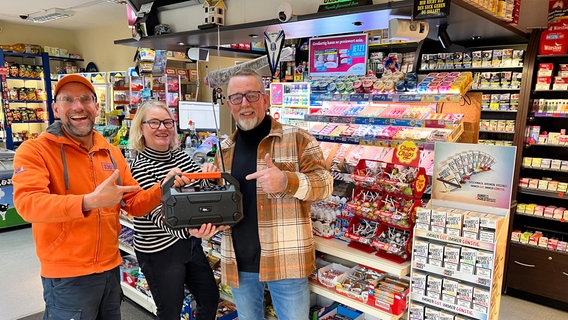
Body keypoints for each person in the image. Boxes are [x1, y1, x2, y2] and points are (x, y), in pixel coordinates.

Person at [12, 74, 191, 320]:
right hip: (67, 276)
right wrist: (89, 201)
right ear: (55, 108)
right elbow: (27, 204)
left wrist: (163, 186)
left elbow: (135, 204)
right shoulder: (35, 150)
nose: (78, 106)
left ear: (96, 107)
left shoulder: (110, 152)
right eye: (68, 100)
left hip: (110, 268)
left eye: (86, 99)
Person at [215, 69, 334, 320]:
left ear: (265, 99)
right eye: (237, 97)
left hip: (287, 261)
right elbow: (221, 205)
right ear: (229, 105)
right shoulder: (224, 150)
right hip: (239, 263)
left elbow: (325, 184)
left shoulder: (297, 138)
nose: (244, 104)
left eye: (252, 95)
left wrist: (286, 181)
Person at [128, 100, 223, 320]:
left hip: (188, 245)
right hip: (158, 251)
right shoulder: (137, 168)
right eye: (154, 122)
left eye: (167, 122)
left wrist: (211, 177)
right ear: (140, 128)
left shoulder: (180, 157)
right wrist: (189, 231)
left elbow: (199, 190)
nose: (162, 128)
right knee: (170, 309)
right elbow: (158, 215)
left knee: (209, 297)